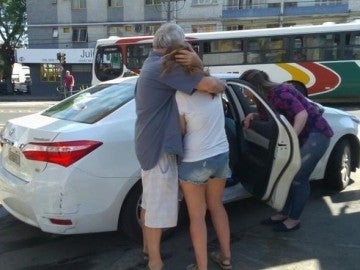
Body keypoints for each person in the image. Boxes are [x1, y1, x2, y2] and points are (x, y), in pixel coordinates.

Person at [134, 23, 226, 270]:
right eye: (183, 46)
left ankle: (147, 250)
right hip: (159, 149)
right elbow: (214, 86)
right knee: (157, 208)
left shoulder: (151, 63)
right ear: (175, 49)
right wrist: (195, 58)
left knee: (148, 202)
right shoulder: (164, 67)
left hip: (148, 144)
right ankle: (155, 262)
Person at [240, 69, 334, 232]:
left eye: (244, 88)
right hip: (305, 137)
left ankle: (294, 220)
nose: (243, 92)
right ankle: (284, 213)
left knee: (298, 178)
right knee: (288, 175)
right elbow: (270, 117)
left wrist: (290, 139)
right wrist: (252, 116)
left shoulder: (280, 92)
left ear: (254, 86)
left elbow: (302, 114)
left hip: (316, 135)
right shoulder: (264, 98)